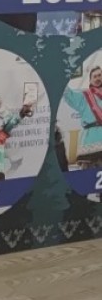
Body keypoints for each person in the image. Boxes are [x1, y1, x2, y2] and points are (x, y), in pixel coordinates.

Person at [62, 65, 102, 200]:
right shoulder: (84, 96)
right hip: (90, 140)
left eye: (100, 75)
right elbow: (67, 94)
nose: (97, 78)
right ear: (90, 79)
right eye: (95, 76)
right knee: (86, 179)